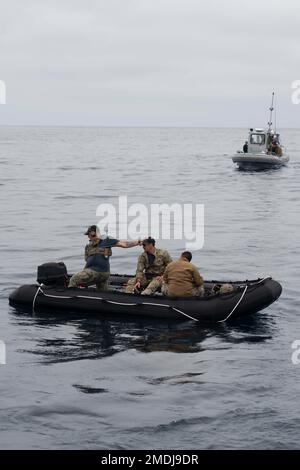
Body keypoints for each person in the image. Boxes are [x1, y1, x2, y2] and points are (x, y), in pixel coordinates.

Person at [68, 225, 141, 290]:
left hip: (97, 272)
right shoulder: (88, 246)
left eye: (89, 234)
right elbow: (87, 262)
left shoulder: (106, 241)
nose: (88, 237)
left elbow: (125, 244)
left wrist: (137, 242)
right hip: (101, 274)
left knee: (74, 279)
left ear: (93, 233)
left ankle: (70, 298)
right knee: (103, 292)